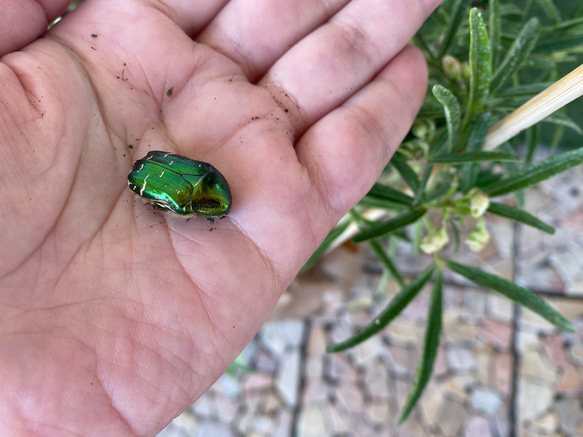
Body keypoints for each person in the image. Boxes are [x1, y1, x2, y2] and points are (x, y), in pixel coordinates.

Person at [0, 0, 441, 434]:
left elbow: (172, 191)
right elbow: (171, 189)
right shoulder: (158, 181)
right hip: (191, 181)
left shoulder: (162, 186)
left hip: (196, 184)